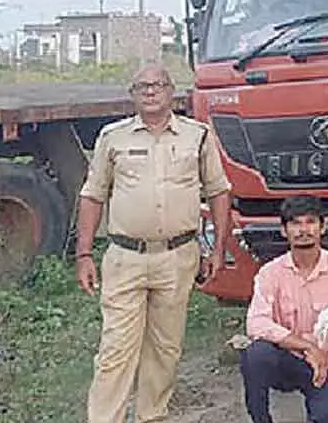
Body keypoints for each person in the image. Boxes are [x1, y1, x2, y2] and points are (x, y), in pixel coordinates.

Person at [75, 63, 233, 423]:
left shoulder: (198, 136)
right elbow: (93, 195)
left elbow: (219, 191)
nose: (150, 91)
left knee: (165, 350)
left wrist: (219, 249)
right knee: (116, 349)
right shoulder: (112, 138)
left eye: (157, 85)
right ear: (132, 94)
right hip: (125, 258)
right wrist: (84, 253)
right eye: (142, 86)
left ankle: (152, 416)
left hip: (178, 258)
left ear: (170, 90)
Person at [241, 195, 328, 423]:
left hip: (327, 363)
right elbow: (256, 323)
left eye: (311, 222)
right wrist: (306, 347)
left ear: (322, 227)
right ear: (284, 231)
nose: (304, 230)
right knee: (256, 354)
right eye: (295, 223)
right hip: (287, 359)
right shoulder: (270, 272)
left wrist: (319, 352)